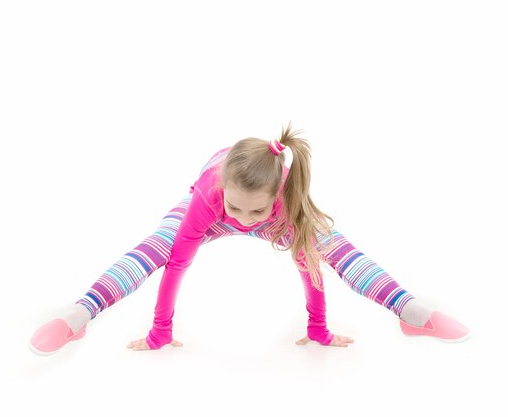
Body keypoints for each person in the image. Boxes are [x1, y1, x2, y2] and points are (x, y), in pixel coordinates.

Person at [29, 123, 471, 355]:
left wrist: (318, 330)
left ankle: (412, 312)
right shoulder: (210, 195)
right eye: (237, 208)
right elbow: (177, 265)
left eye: (253, 210)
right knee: (152, 250)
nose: (243, 220)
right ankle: (78, 315)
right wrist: (160, 333)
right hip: (205, 212)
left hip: (276, 213)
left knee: (334, 248)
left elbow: (308, 265)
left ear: (278, 195)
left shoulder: (286, 204)